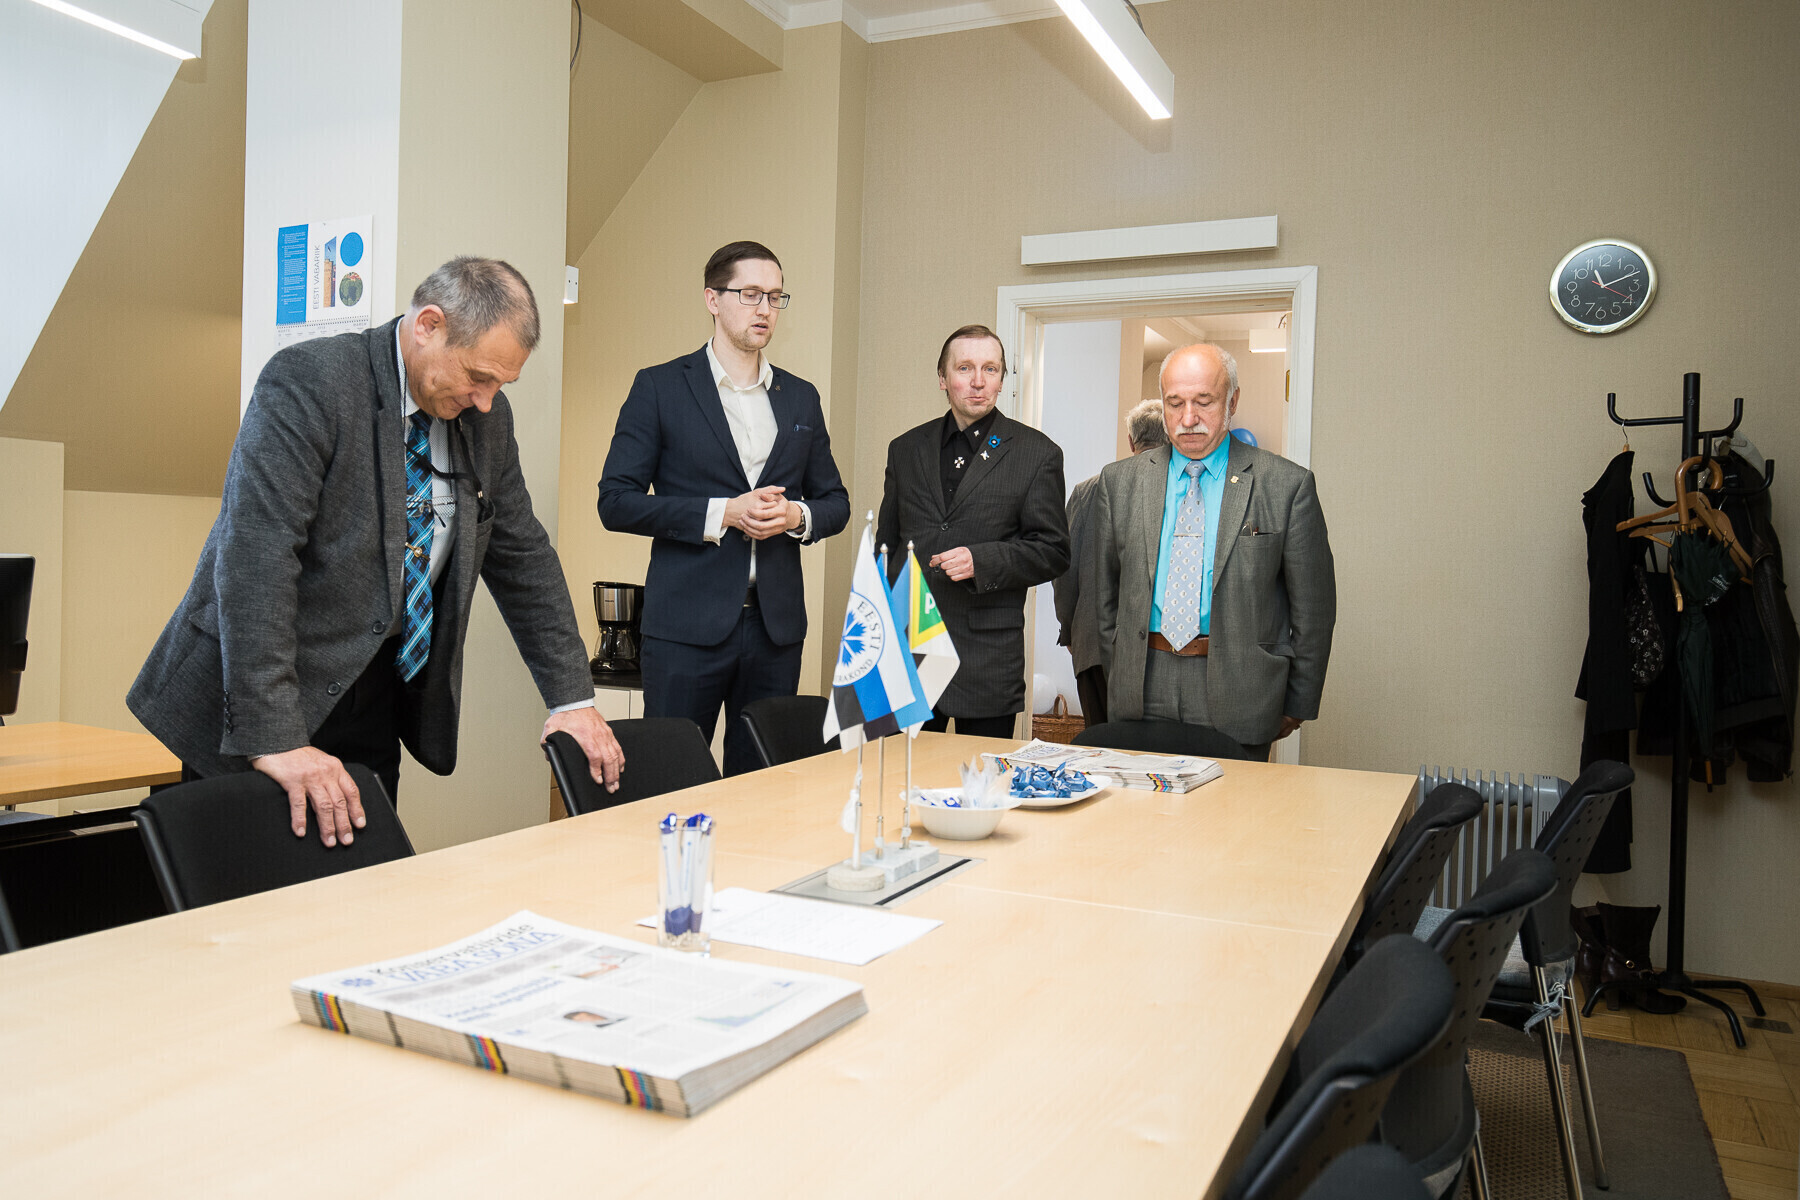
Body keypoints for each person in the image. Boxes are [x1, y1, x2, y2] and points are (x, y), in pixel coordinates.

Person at [130, 257, 624, 846]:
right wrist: (276, 738)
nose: (487, 401)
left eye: (500, 385)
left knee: (361, 884)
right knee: (246, 887)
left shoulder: (484, 421)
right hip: (261, 686)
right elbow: (256, 562)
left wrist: (572, 699)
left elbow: (522, 554)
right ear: (429, 326)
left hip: (373, 691)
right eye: (478, 376)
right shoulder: (310, 382)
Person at [597, 241, 848, 776]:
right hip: (684, 627)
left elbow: (836, 502)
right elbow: (615, 502)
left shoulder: (801, 397)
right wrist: (722, 514)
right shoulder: (660, 387)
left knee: (763, 785)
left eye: (775, 297)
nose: (765, 309)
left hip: (776, 630)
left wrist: (795, 518)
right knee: (671, 780)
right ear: (713, 299)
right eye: (750, 294)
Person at [1090, 343, 1335, 759]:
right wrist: (1121, 672)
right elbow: (1104, 599)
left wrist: (1297, 702)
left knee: (1234, 803)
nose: (1188, 419)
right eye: (1175, 404)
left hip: (1242, 690)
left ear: (1232, 400)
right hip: (1143, 685)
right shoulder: (1119, 482)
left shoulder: (1286, 486)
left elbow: (1314, 611)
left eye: (1204, 402)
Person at [876, 324, 1069, 737]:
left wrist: (982, 561)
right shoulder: (905, 449)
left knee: (981, 777)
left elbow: (1053, 550)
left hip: (986, 663)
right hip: (910, 657)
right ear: (942, 378)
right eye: (965, 368)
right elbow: (887, 547)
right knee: (899, 774)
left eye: (990, 369)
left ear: (1001, 379)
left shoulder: (1037, 454)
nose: (978, 381)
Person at [1054, 399, 1168, 726]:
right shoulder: (1181, 489)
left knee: (1102, 744)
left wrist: (1069, 631)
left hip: (1092, 646)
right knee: (1152, 752)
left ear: (1131, 441)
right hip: (1159, 651)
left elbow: (1064, 571)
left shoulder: (1086, 491)